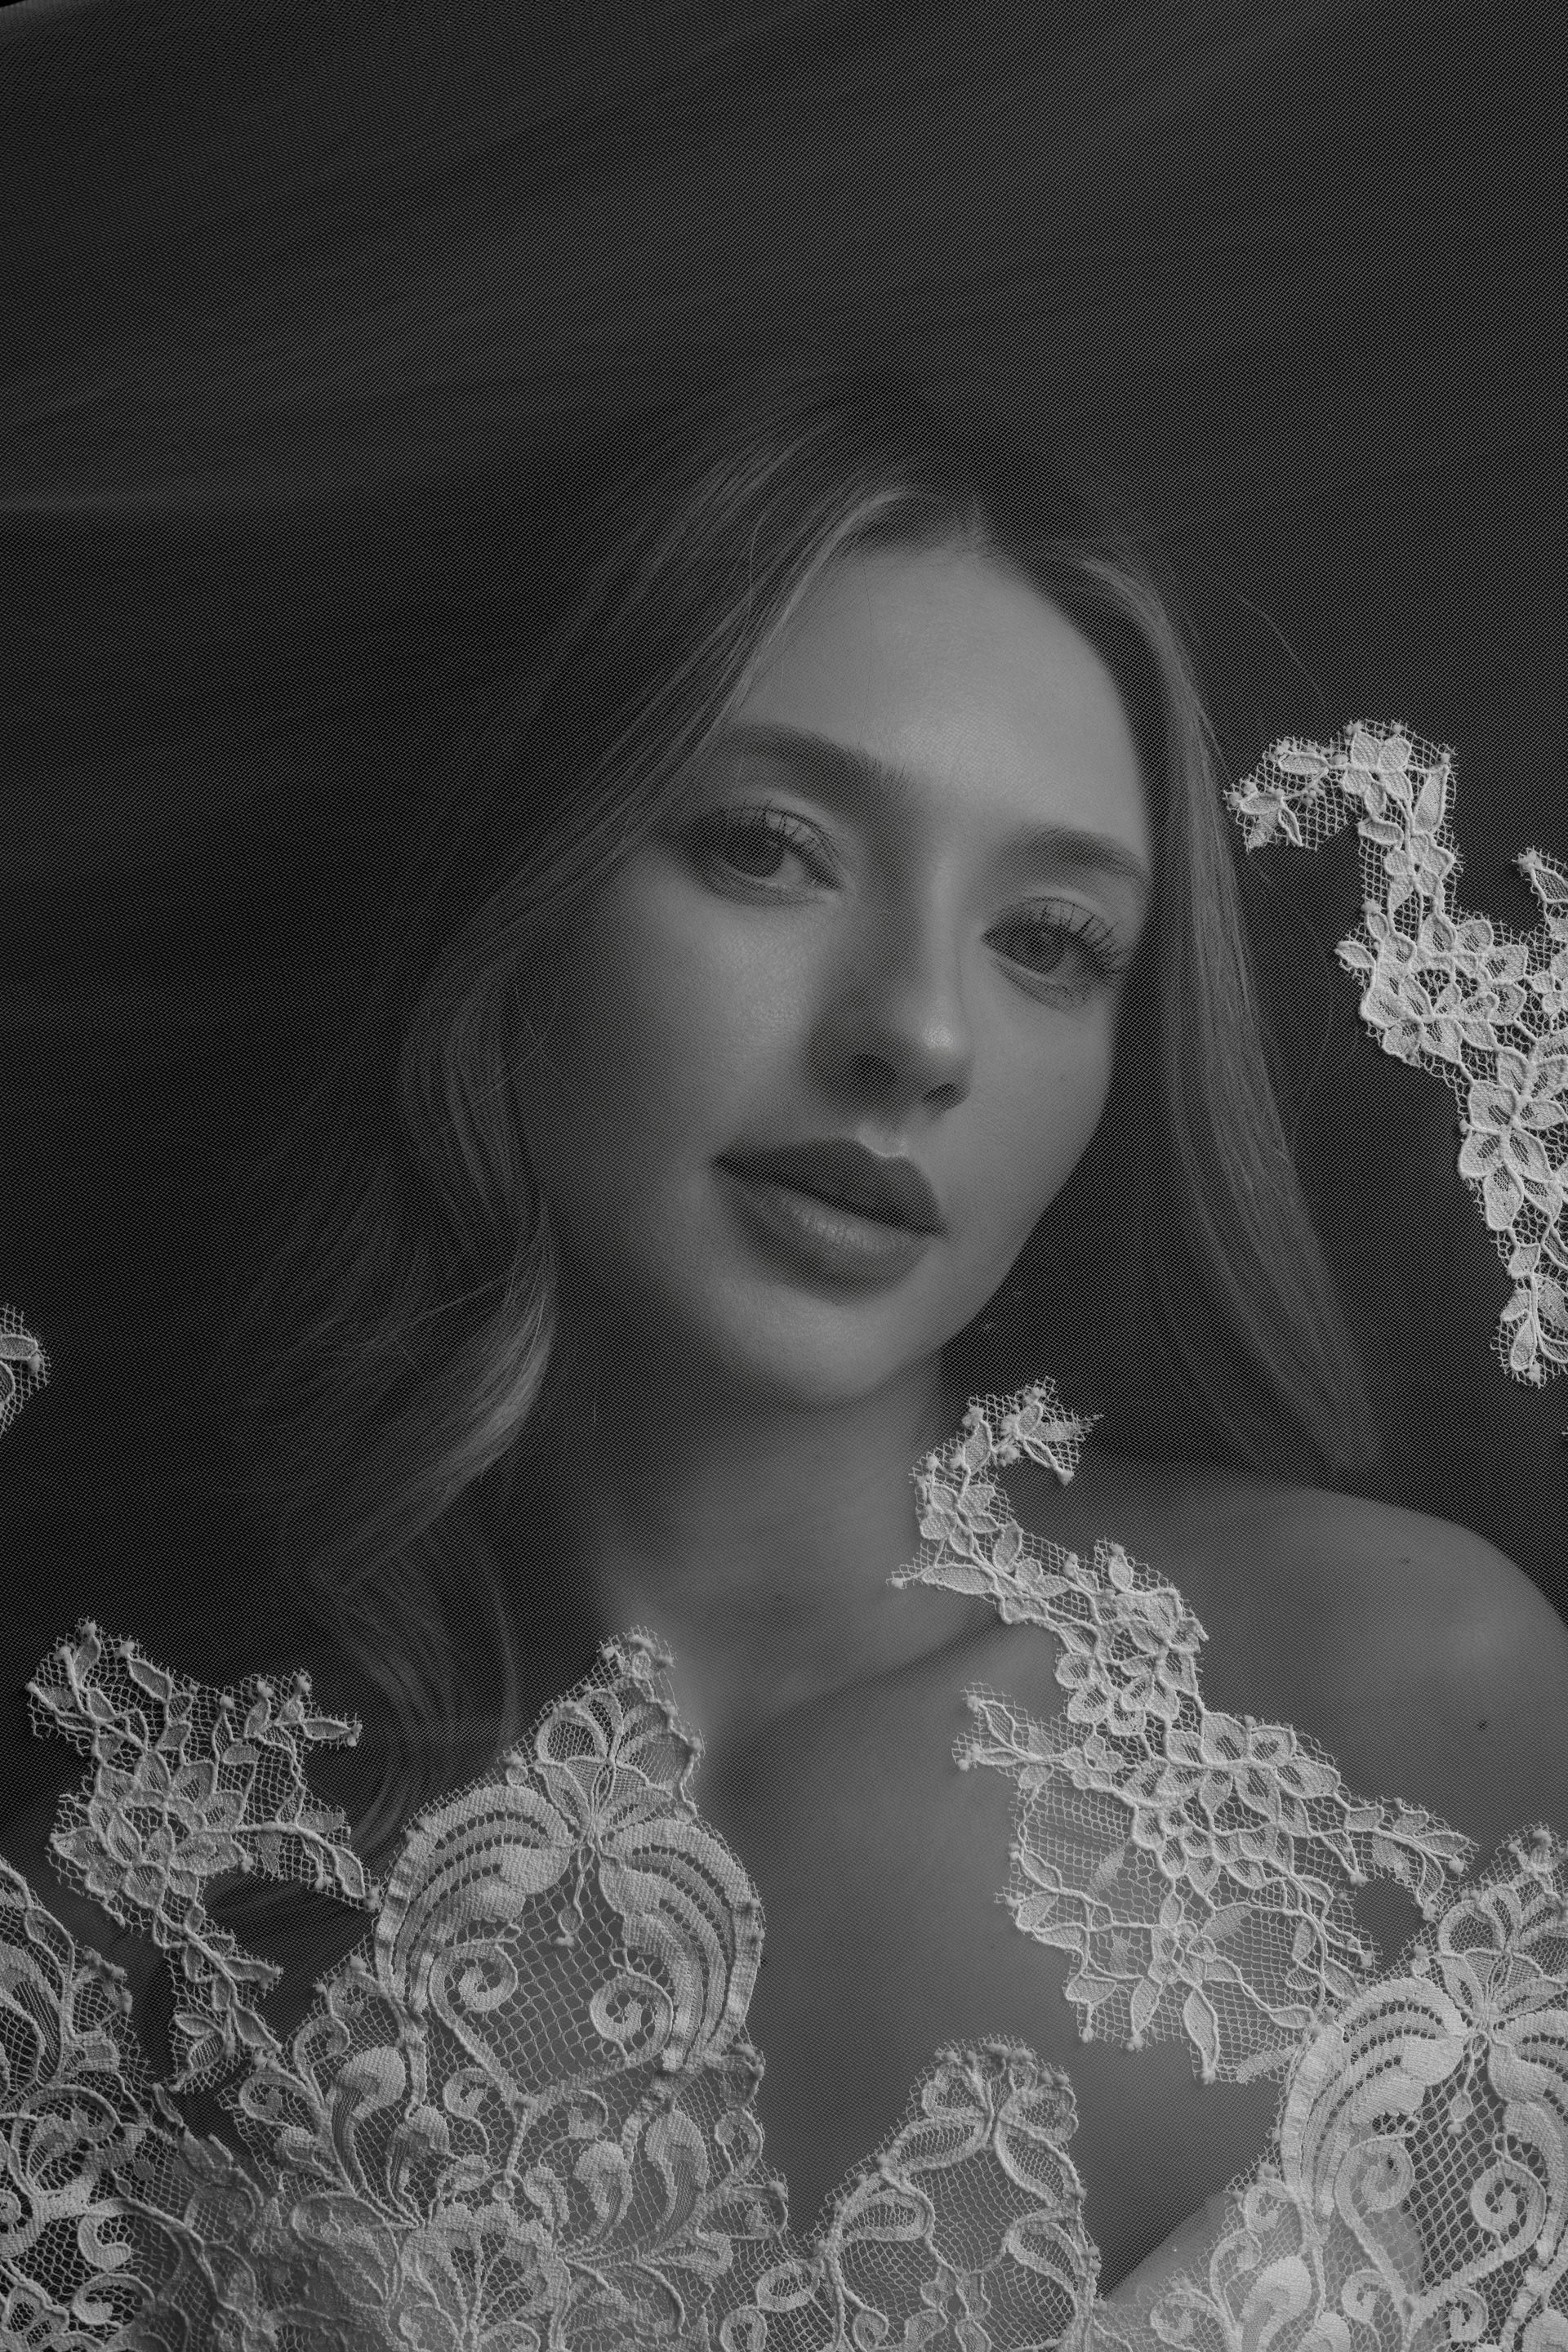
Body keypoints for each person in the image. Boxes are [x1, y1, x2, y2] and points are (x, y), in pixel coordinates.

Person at [4, 365, 1568, 2344]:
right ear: (522, 886)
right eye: (768, 846)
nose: (915, 1033)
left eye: (1052, 940)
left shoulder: (1394, 1703)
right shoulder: (129, 1927)